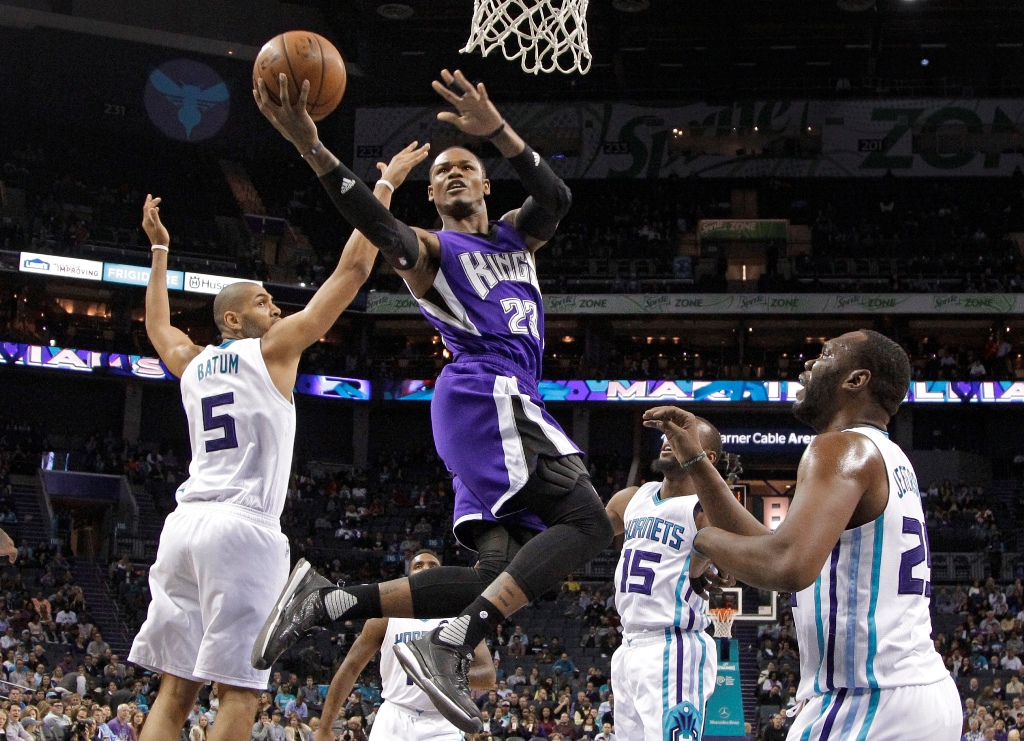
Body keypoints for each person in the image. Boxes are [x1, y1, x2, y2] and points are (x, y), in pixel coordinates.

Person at [251, 67, 613, 734]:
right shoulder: (431, 251)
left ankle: (328, 601)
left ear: (482, 183)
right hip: (486, 392)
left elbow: (555, 196)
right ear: (433, 193)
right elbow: (377, 224)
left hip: (493, 407)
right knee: (589, 522)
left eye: (464, 166)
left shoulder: (513, 235)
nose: (450, 173)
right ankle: (442, 643)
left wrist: (496, 128)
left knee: (493, 575)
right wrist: (312, 145)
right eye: (440, 170)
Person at [125, 141, 429, 741]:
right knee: (241, 689)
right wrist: (385, 190)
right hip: (242, 531)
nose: (275, 304)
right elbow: (352, 272)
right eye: (262, 300)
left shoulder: (191, 362)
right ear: (233, 319)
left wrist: (160, 250)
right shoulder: (274, 350)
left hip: (183, 526)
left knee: (176, 687)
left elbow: (159, 326)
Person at [643, 330, 961, 740]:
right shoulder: (888, 455)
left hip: (869, 700)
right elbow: (767, 543)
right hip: (916, 696)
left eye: (826, 354)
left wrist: (696, 538)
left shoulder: (837, 449)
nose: (809, 364)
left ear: (856, 380)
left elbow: (785, 566)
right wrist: (697, 461)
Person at [604, 416, 732, 741]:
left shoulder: (706, 510)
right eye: (666, 435)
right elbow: (584, 534)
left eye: (680, 436)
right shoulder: (632, 498)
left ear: (708, 457)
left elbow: (724, 551)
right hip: (628, 647)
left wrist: (704, 560)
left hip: (674, 646)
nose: (667, 439)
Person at [315, 550, 495, 741]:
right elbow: (350, 668)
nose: (426, 569)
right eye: (418, 565)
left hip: (442, 722)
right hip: (394, 716)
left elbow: (487, 676)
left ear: (442, 577)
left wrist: (444, 675)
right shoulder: (386, 616)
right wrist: (325, 727)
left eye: (432, 566)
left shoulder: (461, 618)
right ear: (408, 577)